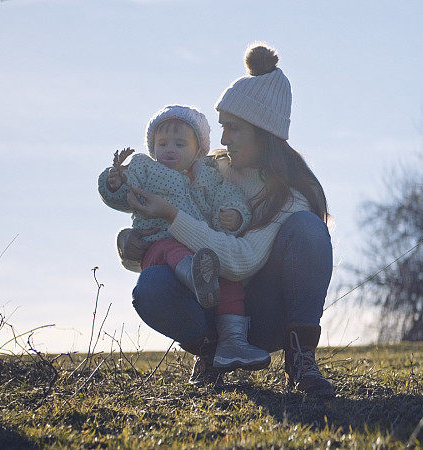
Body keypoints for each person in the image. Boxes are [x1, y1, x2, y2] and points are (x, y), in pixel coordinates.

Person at [119, 43, 336, 398]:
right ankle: (210, 353)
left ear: (262, 133)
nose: (222, 139)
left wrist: (172, 217)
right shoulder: (207, 169)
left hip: (262, 316)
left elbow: (239, 263)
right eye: (222, 127)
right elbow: (159, 226)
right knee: (152, 286)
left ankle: (300, 358)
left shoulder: (290, 195)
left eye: (233, 128)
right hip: (208, 307)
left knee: (309, 230)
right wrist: (132, 245)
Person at [98, 105, 271, 371]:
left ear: (198, 150)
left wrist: (234, 215)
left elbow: (229, 196)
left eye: (180, 144)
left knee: (229, 282)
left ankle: (233, 340)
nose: (169, 150)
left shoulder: (210, 176)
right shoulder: (146, 169)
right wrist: (114, 182)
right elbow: (122, 193)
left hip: (201, 250)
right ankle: (195, 276)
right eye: (162, 143)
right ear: (152, 146)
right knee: (171, 249)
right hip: (158, 246)